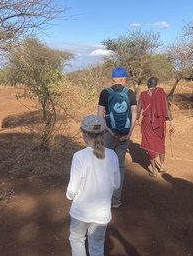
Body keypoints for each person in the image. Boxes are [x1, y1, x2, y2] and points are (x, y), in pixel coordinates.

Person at [67, 115, 120, 256]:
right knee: (97, 245)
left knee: (77, 239)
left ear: (84, 134)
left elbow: (72, 189)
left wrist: (70, 196)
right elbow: (116, 184)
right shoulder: (113, 155)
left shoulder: (79, 156)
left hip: (81, 211)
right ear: (103, 133)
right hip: (101, 213)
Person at [98, 67, 137, 208]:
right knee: (120, 166)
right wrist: (128, 134)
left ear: (113, 79)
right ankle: (115, 200)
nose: (126, 81)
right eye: (125, 79)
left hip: (109, 134)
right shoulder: (131, 93)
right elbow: (134, 116)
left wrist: (110, 131)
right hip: (125, 134)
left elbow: (100, 116)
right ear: (122, 79)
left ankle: (103, 198)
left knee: (105, 165)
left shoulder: (104, 93)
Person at [137, 77, 174, 177]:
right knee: (160, 142)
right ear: (156, 84)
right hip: (159, 121)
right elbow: (167, 109)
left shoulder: (143, 94)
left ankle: (154, 170)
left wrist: (136, 119)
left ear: (149, 83)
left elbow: (138, 109)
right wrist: (171, 121)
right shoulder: (162, 93)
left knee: (149, 144)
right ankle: (162, 166)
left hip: (147, 122)